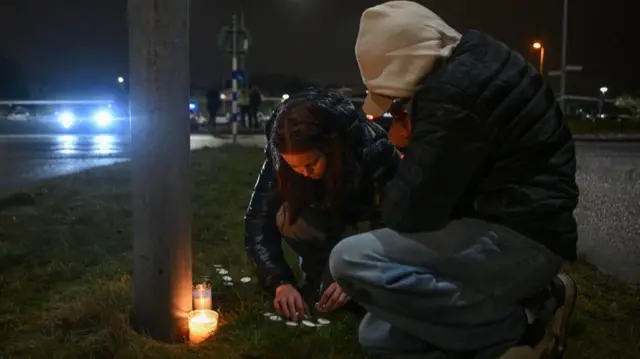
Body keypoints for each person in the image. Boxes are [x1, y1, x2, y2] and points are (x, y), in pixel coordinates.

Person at [329, 2, 579, 358]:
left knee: (350, 259)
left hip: (523, 238)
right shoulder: (470, 61)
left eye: (396, 99)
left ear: (403, 62)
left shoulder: (453, 93)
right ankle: (534, 301)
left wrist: (405, 143)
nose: (396, 108)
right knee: (378, 337)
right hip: (515, 229)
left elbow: (409, 212)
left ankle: (518, 331)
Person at [244, 88, 400, 321]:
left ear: (331, 148)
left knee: (357, 300)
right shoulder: (279, 158)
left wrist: (357, 274)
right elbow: (258, 221)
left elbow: (396, 220)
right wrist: (280, 282)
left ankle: (345, 273)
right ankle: (318, 270)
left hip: (364, 231)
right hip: (323, 225)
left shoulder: (370, 147)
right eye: (294, 167)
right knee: (286, 217)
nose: (304, 173)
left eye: (311, 163)